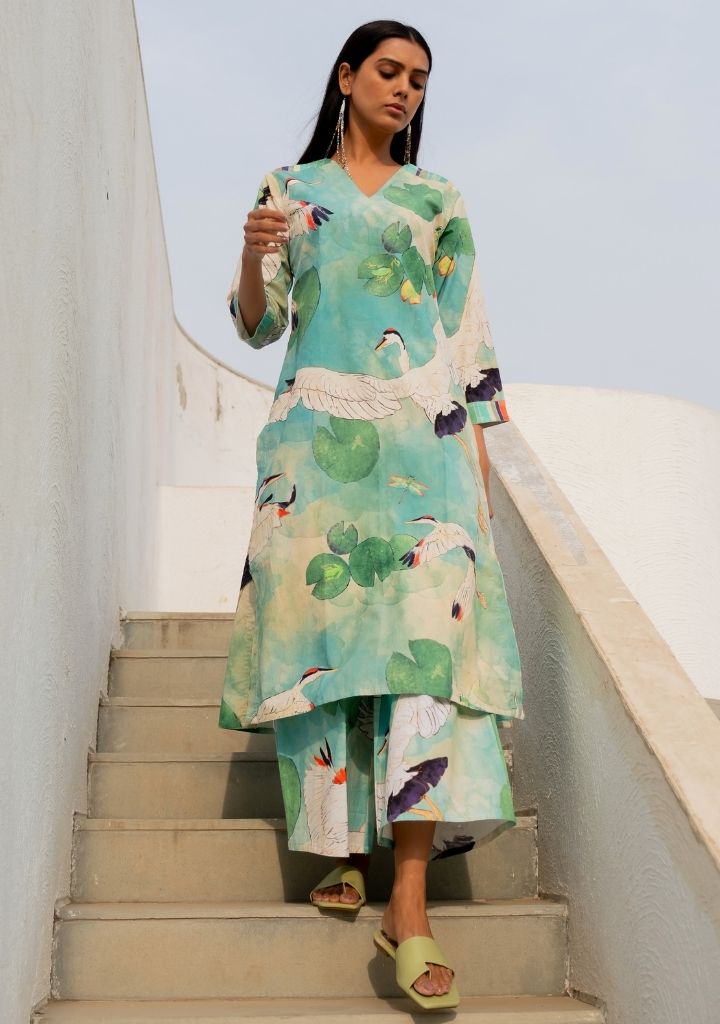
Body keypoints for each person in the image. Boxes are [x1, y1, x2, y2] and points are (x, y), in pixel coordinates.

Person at [218, 20, 524, 1012]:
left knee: (425, 654)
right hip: (314, 443)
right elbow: (259, 325)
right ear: (346, 77)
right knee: (327, 641)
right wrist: (252, 254)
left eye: (420, 80)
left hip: (424, 447)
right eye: (390, 71)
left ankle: (409, 897)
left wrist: (477, 463)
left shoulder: (438, 200)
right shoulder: (289, 191)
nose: (406, 90)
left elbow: (467, 337)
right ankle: (338, 845)